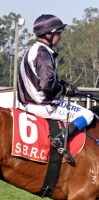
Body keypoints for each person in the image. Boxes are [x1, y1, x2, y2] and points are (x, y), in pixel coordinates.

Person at [17, 14, 94, 165]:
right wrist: (64, 89)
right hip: (43, 106)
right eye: (58, 33)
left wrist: (60, 84)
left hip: (27, 104)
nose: (59, 36)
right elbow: (46, 85)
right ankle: (61, 139)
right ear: (48, 34)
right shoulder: (44, 53)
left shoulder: (31, 50)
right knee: (88, 114)